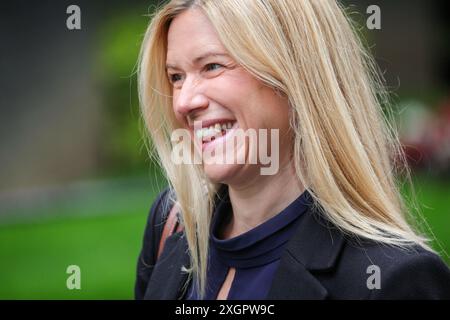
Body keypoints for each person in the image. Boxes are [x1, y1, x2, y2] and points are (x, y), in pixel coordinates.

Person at [134, 0, 450, 299]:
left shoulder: (392, 279)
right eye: (175, 77)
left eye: (212, 66)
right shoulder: (169, 228)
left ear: (296, 75)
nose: (184, 102)